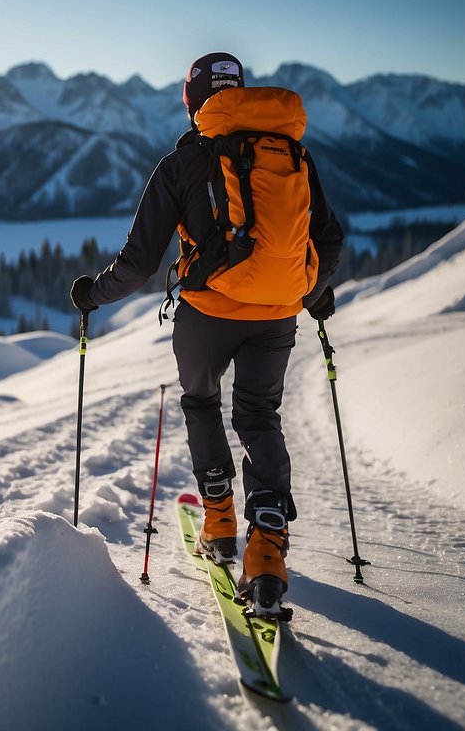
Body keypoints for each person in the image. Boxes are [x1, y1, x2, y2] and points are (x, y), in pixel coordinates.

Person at [69, 52, 344, 614]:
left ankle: (219, 525)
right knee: (259, 416)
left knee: (200, 402)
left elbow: (140, 263)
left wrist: (92, 295)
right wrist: (311, 293)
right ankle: (266, 551)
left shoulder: (182, 162)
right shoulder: (291, 152)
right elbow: (324, 239)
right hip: (276, 315)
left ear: (193, 100)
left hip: (207, 315)